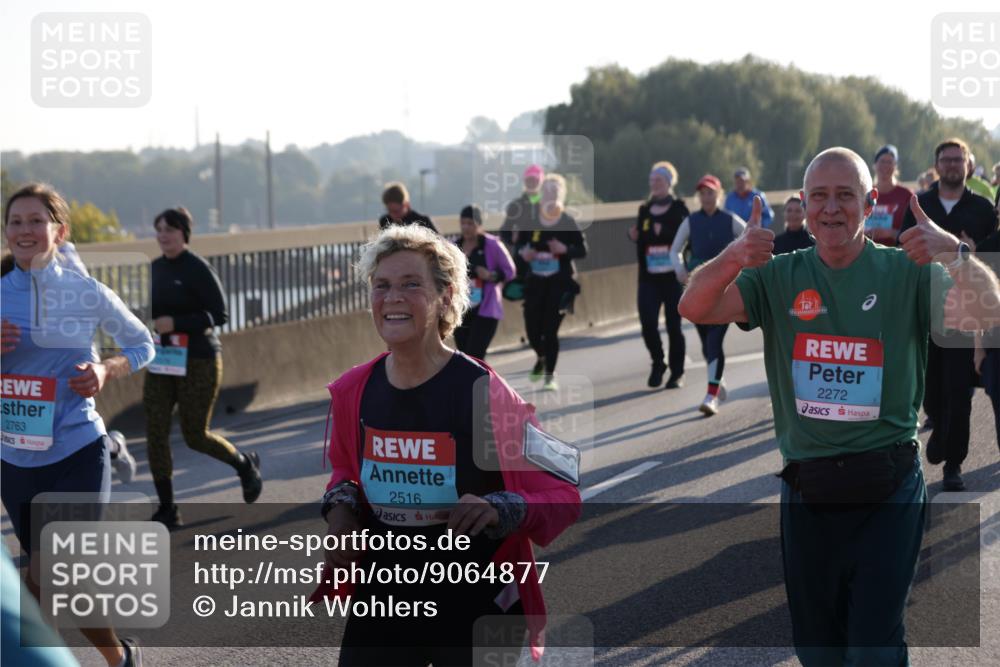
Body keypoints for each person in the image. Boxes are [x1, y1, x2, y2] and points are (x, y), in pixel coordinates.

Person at [678, 147, 999, 667]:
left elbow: (990, 312)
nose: (832, 208)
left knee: (873, 646)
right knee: (819, 650)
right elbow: (694, 305)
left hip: (888, 486)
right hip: (810, 491)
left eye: (845, 195)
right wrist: (734, 255)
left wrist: (953, 253)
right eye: (820, 197)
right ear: (803, 205)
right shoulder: (777, 274)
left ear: (870, 203)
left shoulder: (908, 271)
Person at [309, 224, 581, 666]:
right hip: (386, 600)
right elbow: (345, 471)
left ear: (446, 297)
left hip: (475, 605)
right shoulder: (354, 389)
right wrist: (341, 508)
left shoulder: (487, 393)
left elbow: (565, 491)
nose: (392, 297)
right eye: (382, 286)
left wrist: (502, 507)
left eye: (411, 284)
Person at [1, 183, 154, 667]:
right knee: (64, 577)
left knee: (49, 570)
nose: (25, 230)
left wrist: (107, 370)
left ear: (59, 230)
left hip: (77, 449)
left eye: (35, 220)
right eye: (16, 221)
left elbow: (142, 344)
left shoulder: (87, 292)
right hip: (15, 457)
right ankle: (118, 657)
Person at [143, 207, 262, 528]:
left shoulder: (197, 268)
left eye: (169, 229)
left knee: (195, 435)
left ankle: (244, 465)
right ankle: (167, 508)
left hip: (198, 358)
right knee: (155, 431)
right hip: (162, 359)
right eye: (159, 229)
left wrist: (177, 323)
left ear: (184, 232)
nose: (163, 235)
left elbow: (219, 315)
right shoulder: (152, 269)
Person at [899, 138, 999, 490]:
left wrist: (972, 253)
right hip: (925, 313)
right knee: (930, 389)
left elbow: (992, 264)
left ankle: (953, 464)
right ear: (937, 165)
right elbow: (901, 253)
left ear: (969, 166)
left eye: (959, 159)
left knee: (959, 392)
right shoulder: (918, 205)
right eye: (946, 159)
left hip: (964, 317)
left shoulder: (983, 210)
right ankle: (938, 426)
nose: (953, 164)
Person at [672, 174, 745, 415]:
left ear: (719, 194)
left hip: (724, 289)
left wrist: (742, 268)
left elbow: (748, 239)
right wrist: (681, 271)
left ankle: (711, 395)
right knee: (706, 343)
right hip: (699, 289)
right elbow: (675, 250)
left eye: (710, 192)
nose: (706, 197)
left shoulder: (730, 220)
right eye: (702, 193)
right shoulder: (691, 222)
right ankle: (718, 380)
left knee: (714, 340)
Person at [516, 174, 588, 391]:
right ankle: (541, 357)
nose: (551, 195)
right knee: (532, 331)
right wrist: (524, 254)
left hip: (559, 283)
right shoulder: (530, 220)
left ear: (561, 196)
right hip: (535, 283)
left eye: (555, 192)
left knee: (550, 330)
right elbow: (518, 248)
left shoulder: (567, 221)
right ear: (541, 194)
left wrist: (565, 250)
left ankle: (550, 375)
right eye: (547, 191)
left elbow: (583, 250)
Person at [627, 161, 690, 388]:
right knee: (647, 324)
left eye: (659, 181)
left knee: (674, 326)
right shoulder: (644, 210)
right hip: (649, 277)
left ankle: (677, 372)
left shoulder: (679, 208)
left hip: (673, 277)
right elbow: (642, 237)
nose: (655, 185)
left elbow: (687, 237)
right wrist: (633, 235)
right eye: (652, 181)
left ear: (669, 183)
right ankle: (658, 362)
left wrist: (664, 232)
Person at [453, 204, 516, 359]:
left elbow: (510, 271)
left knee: (475, 355)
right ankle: (476, 383)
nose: (466, 227)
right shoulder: (454, 246)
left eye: (471, 223)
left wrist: (491, 275)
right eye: (463, 223)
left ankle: (479, 383)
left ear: (479, 224)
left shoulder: (492, 244)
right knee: (465, 357)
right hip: (461, 308)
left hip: (486, 308)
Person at [498, 164, 543, 280]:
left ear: (540, 182)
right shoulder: (516, 205)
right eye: (529, 180)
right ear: (525, 181)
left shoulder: (547, 204)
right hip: (522, 256)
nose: (532, 183)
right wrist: (512, 239)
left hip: (544, 256)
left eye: (535, 180)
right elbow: (504, 231)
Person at [864, 144, 913, 246]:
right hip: (865, 252)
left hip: (894, 254)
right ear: (875, 165)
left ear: (896, 167)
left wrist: (891, 233)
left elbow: (913, 230)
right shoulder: (865, 193)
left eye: (889, 162)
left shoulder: (906, 195)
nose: (885, 166)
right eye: (882, 161)